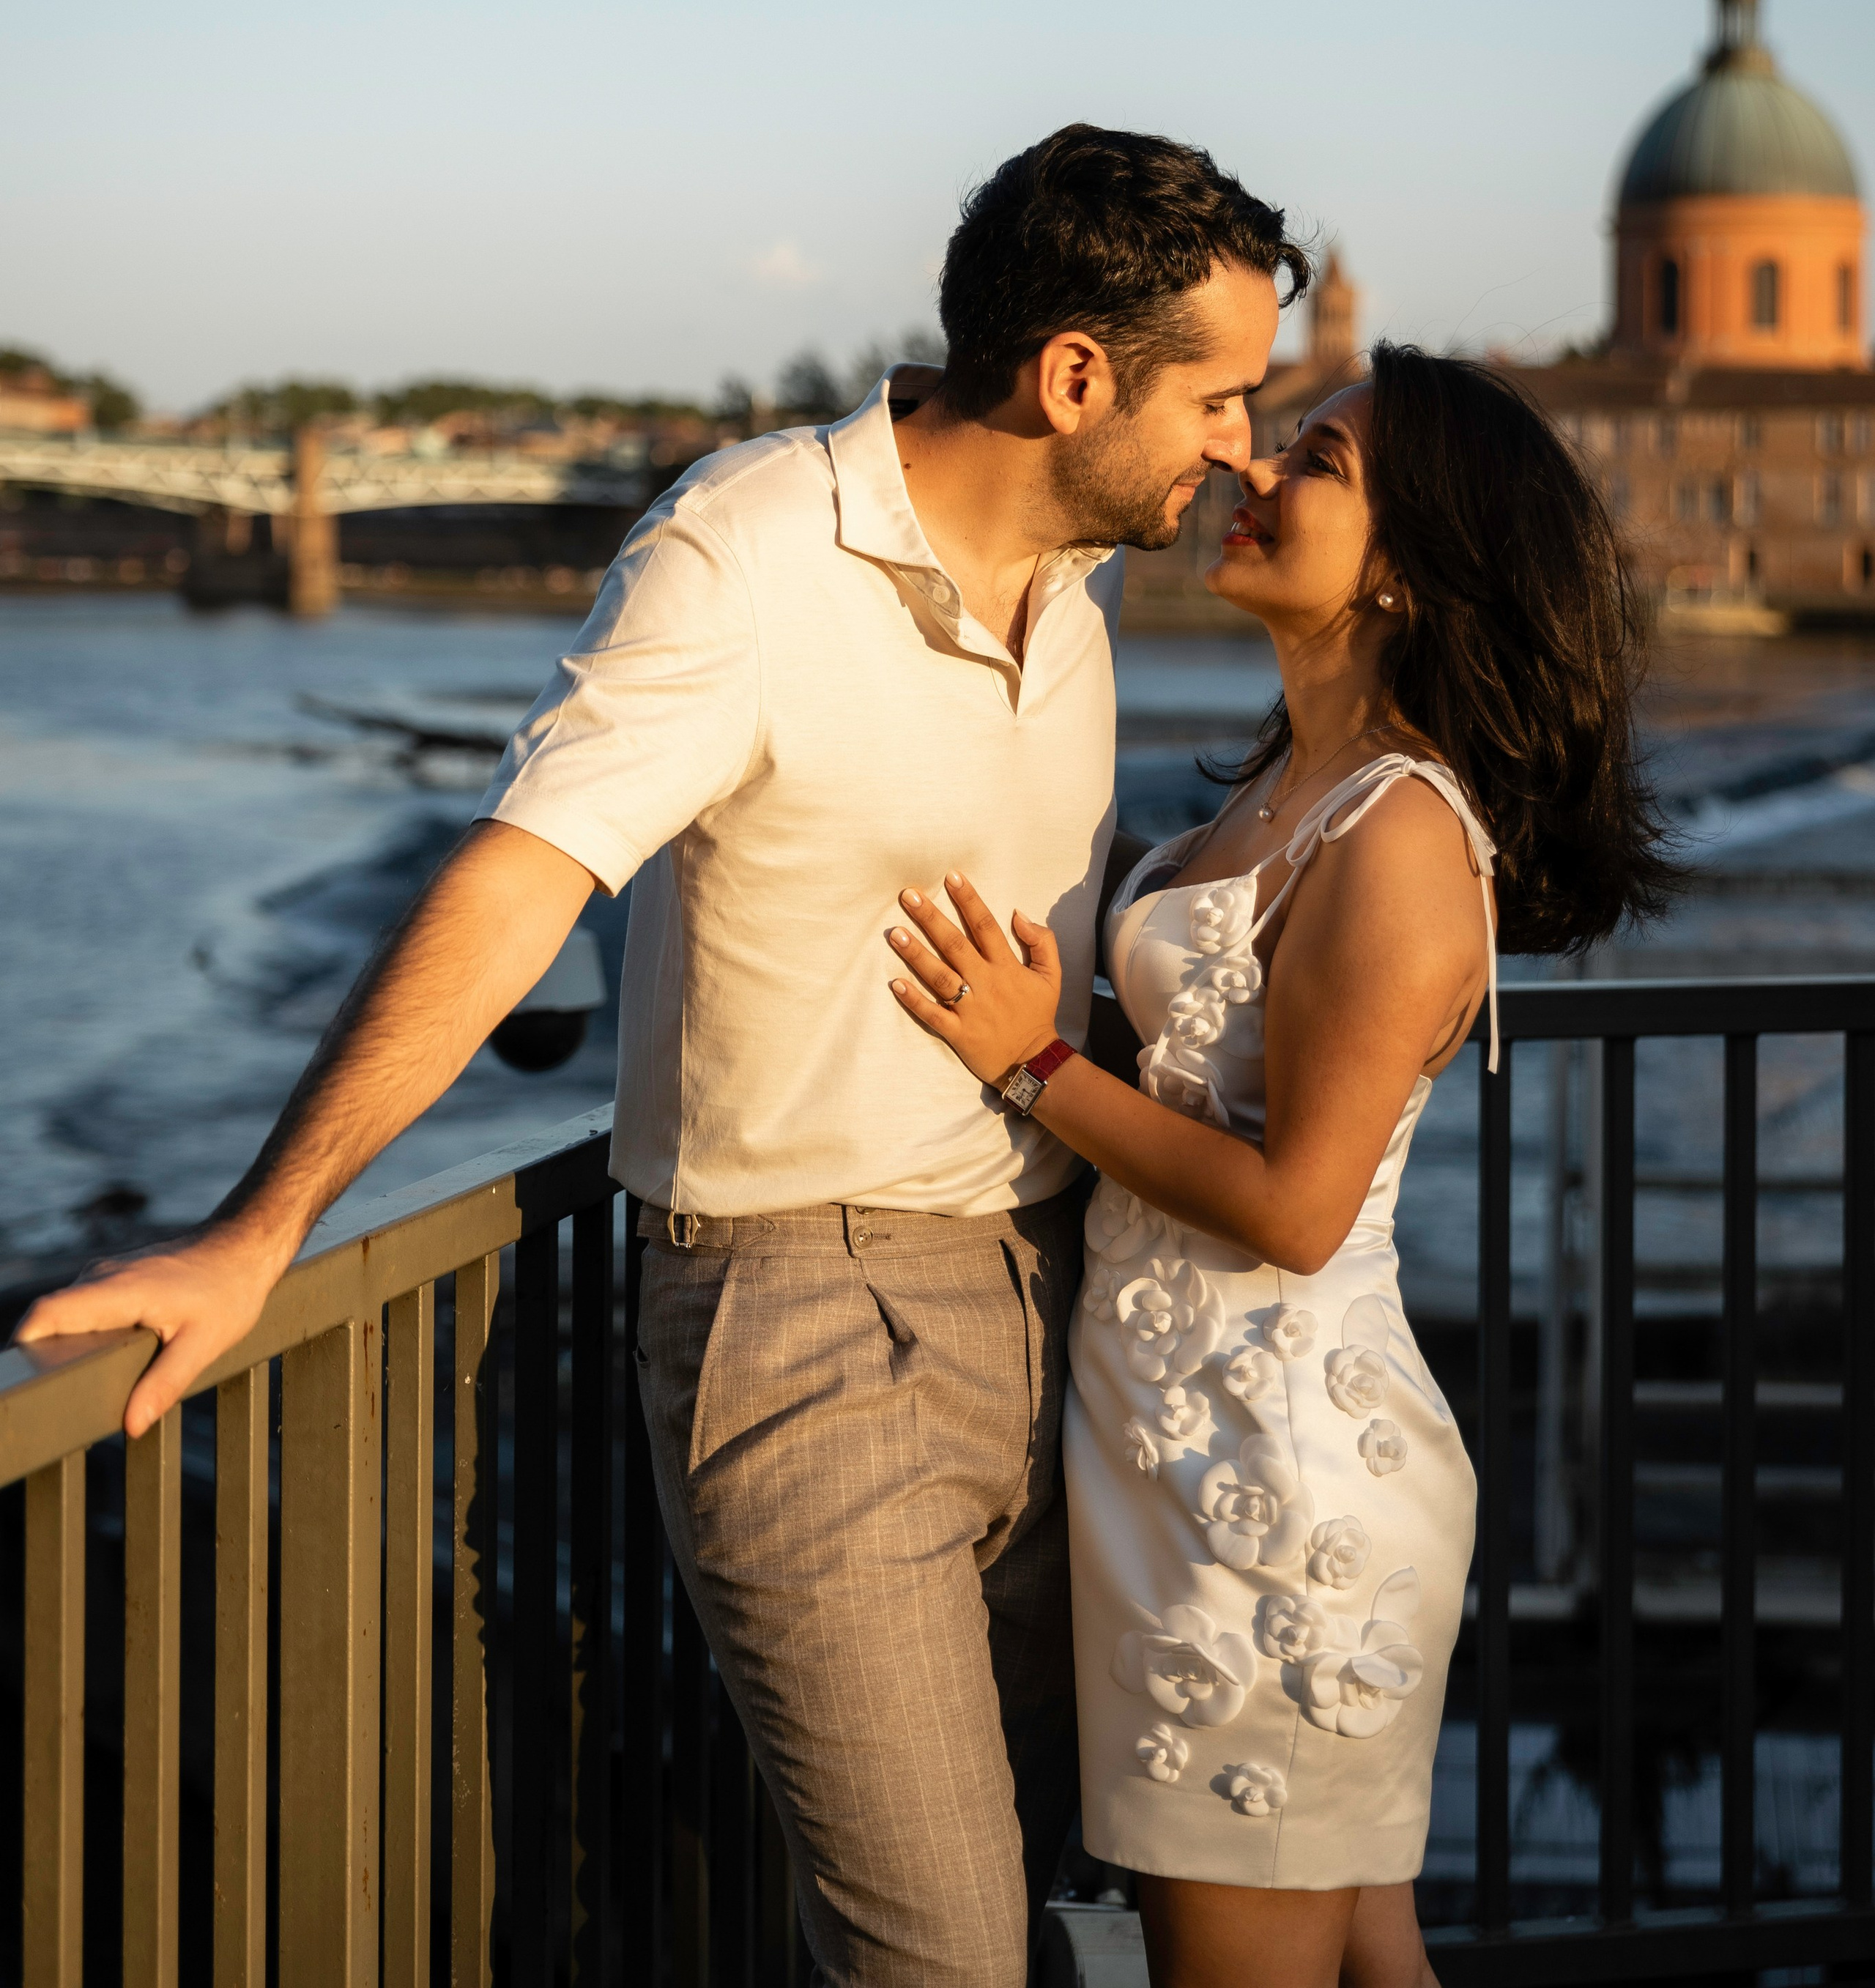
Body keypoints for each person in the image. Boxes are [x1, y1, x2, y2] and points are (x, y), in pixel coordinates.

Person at [17, 123, 1310, 1988]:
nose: (1240, 448)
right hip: (803, 1336)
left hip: (1054, 1305)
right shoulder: (748, 550)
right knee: (938, 1951)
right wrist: (259, 1228)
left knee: (1026, 1900)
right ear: (1074, 376)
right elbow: (522, 878)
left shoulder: (1080, 596)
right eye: (1219, 398)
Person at [883, 343, 1677, 1988]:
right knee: (1360, 1951)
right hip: (1183, 1455)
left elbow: (1296, 1210)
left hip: (1275, 1484)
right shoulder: (1278, 789)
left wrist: (1025, 1061)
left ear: (1407, 566)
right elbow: (1195, 1078)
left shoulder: (1392, 834)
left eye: (1314, 462)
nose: (1251, 473)